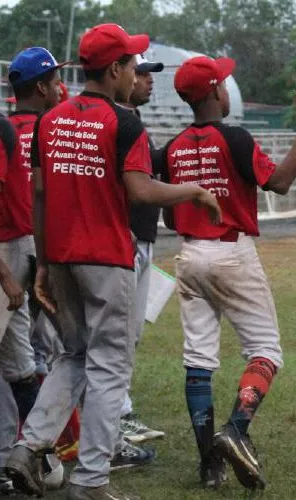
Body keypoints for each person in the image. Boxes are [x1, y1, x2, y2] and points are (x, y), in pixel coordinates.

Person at [4, 23, 220, 500]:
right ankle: (91, 481)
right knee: (109, 368)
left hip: (59, 257)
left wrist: (42, 264)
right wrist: (195, 190)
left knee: (73, 356)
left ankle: (27, 447)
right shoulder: (124, 123)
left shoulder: (50, 119)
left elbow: (39, 193)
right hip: (106, 258)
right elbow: (141, 189)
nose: (135, 75)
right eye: (131, 66)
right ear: (117, 69)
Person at [158, 55, 296, 490]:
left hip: (189, 255)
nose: (227, 90)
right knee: (265, 351)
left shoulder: (171, 147)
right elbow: (279, 183)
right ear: (213, 91)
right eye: (224, 83)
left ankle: (210, 467)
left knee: (198, 360)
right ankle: (236, 430)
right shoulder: (236, 138)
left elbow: (170, 217)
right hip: (232, 252)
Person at [0, 47, 65, 493]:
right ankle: (39, 454)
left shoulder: (23, 127)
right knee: (32, 357)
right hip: (13, 251)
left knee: (23, 359)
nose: (62, 86)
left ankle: (21, 454)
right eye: (56, 79)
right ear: (41, 86)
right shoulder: (34, 129)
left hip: (24, 249)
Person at [118, 53, 166, 445]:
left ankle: (120, 410)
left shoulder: (133, 121)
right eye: (142, 73)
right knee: (120, 333)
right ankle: (118, 414)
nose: (148, 80)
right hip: (126, 239)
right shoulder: (122, 122)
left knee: (130, 333)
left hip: (141, 237)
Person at [0, 112, 29, 494]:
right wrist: (6, 275)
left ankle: (9, 455)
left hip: (15, 246)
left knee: (15, 362)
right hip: (7, 250)